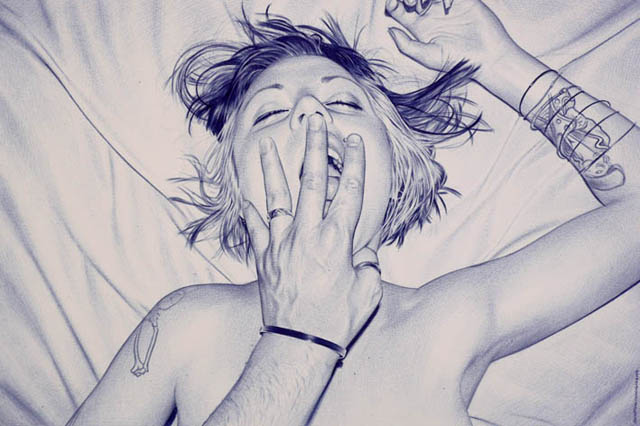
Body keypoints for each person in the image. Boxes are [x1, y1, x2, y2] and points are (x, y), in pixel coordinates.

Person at [67, 0, 640, 424]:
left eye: (343, 102)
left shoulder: (446, 320)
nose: (313, 115)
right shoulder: (189, 322)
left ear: (398, 167)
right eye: (270, 114)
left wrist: (496, 61)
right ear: (235, 185)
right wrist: (299, 337)